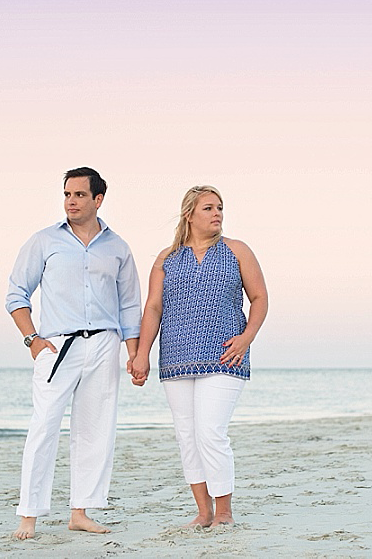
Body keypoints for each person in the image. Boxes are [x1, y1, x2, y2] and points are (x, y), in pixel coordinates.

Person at [5, 167, 141, 539]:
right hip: (57, 345)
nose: (71, 201)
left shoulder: (118, 248)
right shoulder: (44, 241)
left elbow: (130, 306)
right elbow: (17, 293)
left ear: (98, 200)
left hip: (103, 344)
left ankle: (80, 511)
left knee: (95, 429)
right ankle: (28, 515)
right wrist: (31, 339)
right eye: (67, 194)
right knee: (44, 426)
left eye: (80, 195)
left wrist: (134, 353)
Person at [129, 185, 268, 527]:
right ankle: (203, 513)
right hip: (176, 359)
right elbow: (153, 307)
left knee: (210, 432)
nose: (217, 213)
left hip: (225, 357)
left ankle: (224, 512)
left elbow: (260, 298)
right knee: (187, 437)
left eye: (219, 207)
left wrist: (246, 338)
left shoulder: (237, 251)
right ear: (189, 214)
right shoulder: (167, 258)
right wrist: (141, 355)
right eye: (208, 208)